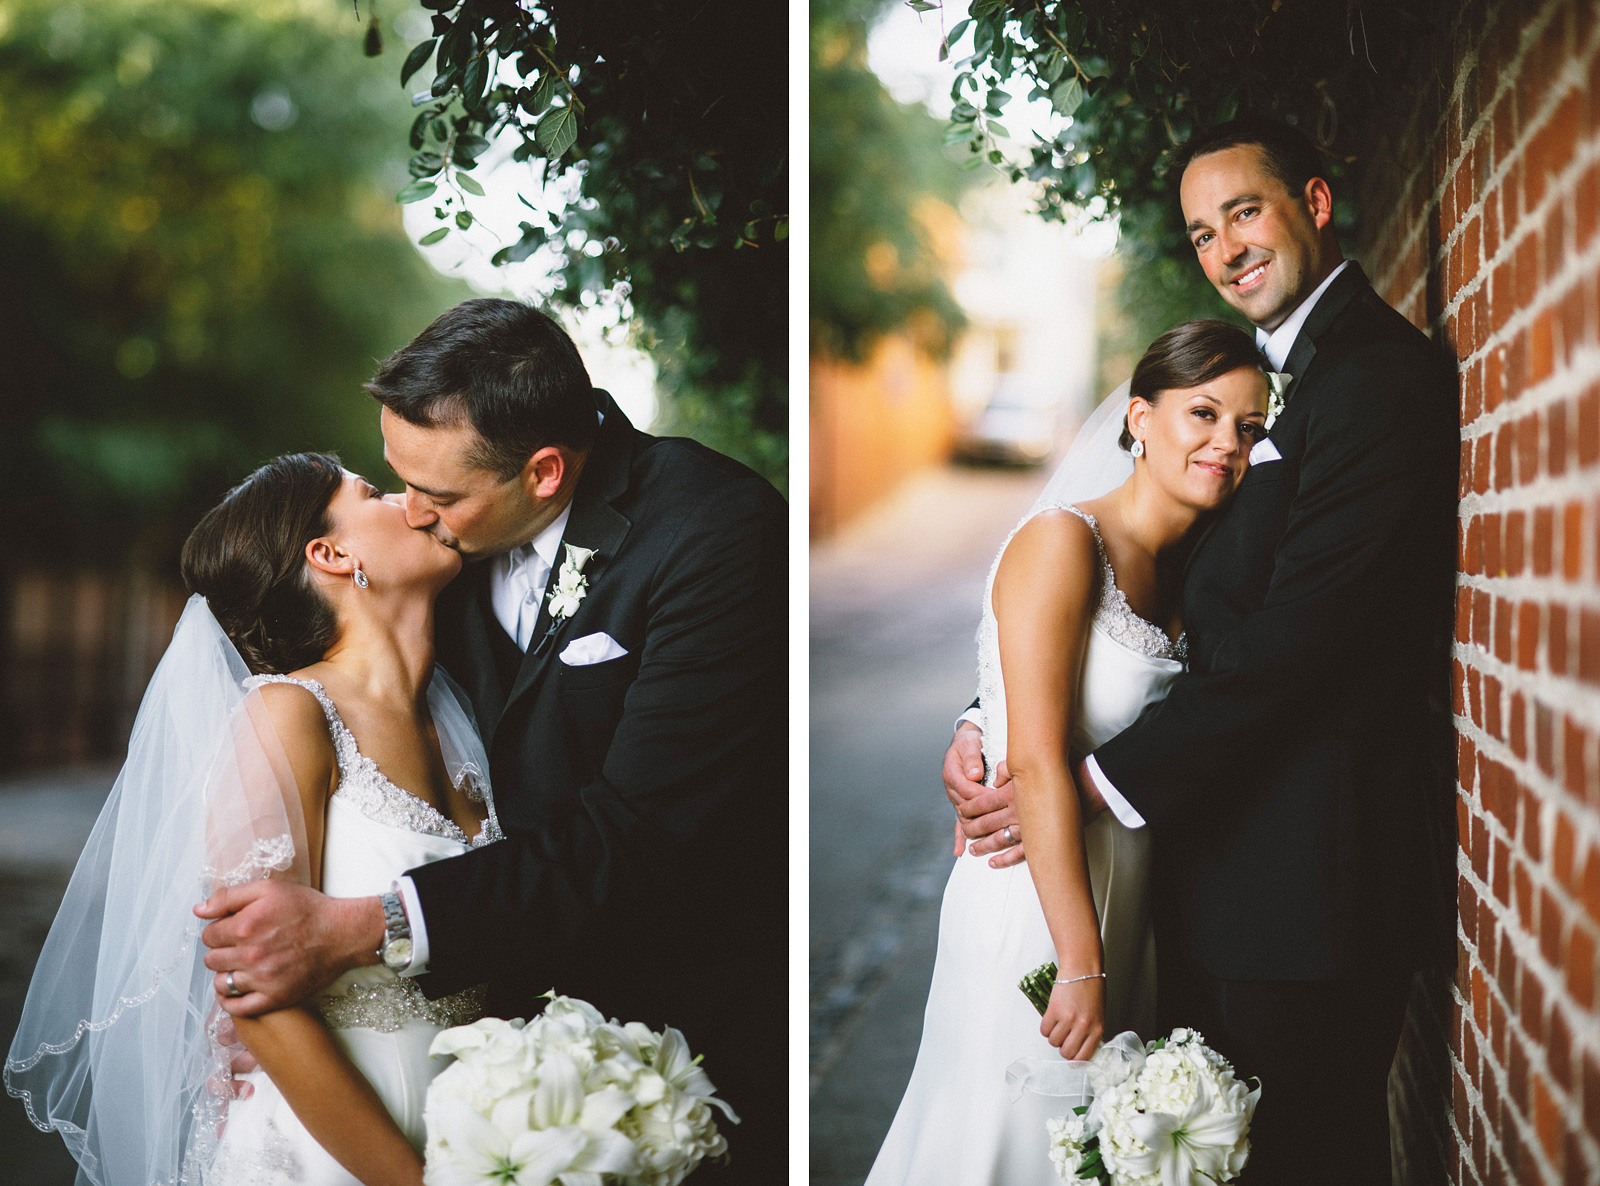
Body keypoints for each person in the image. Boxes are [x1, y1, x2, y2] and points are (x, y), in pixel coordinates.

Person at [943, 117, 1458, 1182]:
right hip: (1214, 887)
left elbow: (1301, 639)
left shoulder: (1372, 377)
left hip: (1311, 894)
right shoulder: (1260, 383)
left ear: (1313, 206)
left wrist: (1086, 778)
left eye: (1245, 212)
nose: (1225, 247)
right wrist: (990, 718)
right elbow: (1124, 589)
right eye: (1200, 233)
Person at [192, 300, 789, 1181]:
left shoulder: (713, 529)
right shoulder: (410, 610)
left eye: (435, 495)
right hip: (418, 1121)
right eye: (392, 482)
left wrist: (370, 927)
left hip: (655, 1056)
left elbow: (642, 832)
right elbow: (253, 967)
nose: (414, 512)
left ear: (544, 472)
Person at [7, 452, 497, 1186]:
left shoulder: (464, 724)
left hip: (486, 1124)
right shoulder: (285, 715)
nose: (408, 500)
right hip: (329, 1153)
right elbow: (254, 995)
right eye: (372, 493)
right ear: (331, 554)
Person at [867, 321, 1272, 1185]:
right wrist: (1079, 963)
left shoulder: (1190, 561)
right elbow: (1041, 760)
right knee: (1005, 1140)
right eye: (1203, 414)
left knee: (1085, 1152)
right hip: (1036, 905)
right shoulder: (1062, 540)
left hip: (1127, 892)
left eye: (1247, 428)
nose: (1225, 444)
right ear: (1138, 419)